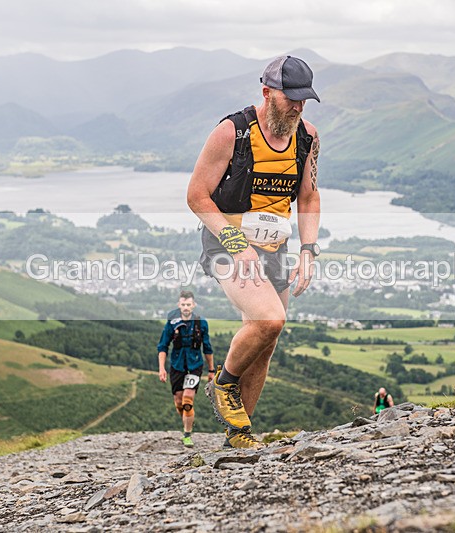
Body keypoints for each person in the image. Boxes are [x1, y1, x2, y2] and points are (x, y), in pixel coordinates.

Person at [187, 55, 322, 449]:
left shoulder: (308, 137)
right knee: (270, 319)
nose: (298, 107)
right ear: (267, 92)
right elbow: (197, 196)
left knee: (265, 343)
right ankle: (223, 382)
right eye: (291, 99)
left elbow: (309, 197)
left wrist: (308, 250)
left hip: (275, 247)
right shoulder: (232, 133)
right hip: (227, 242)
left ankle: (239, 435)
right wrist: (236, 244)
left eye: (304, 100)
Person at [157, 290, 215, 448]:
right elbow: (163, 346)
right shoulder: (172, 323)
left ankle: (187, 435)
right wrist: (162, 368)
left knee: (188, 400)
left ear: (193, 305)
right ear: (179, 305)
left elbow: (207, 348)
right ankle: (187, 419)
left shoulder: (201, 323)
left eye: (188, 304)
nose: (186, 307)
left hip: (195, 365)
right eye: (183, 304)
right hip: (177, 365)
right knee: (179, 401)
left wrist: (211, 370)